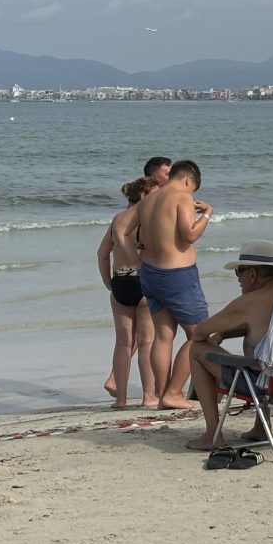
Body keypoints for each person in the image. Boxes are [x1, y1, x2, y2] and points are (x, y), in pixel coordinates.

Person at [127, 159, 213, 410]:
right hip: (177, 275)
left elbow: (130, 234)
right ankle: (174, 392)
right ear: (188, 180)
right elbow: (189, 235)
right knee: (200, 334)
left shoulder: (148, 200)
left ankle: (163, 395)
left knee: (163, 336)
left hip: (150, 273)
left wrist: (140, 250)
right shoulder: (182, 197)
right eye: (192, 188)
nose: (191, 194)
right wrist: (207, 213)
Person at [185, 240, 273, 451]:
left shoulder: (250, 301)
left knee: (197, 350)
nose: (238, 278)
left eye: (239, 271)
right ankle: (261, 427)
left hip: (265, 388)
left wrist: (215, 333)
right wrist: (224, 333)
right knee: (265, 353)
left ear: (253, 274)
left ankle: (213, 434)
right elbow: (269, 330)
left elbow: (199, 332)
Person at [97, 175, 159, 409]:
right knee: (146, 343)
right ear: (144, 196)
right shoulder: (147, 219)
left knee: (123, 343)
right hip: (142, 281)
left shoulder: (117, 219)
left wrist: (109, 283)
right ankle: (148, 397)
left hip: (120, 282)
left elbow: (102, 254)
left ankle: (121, 400)